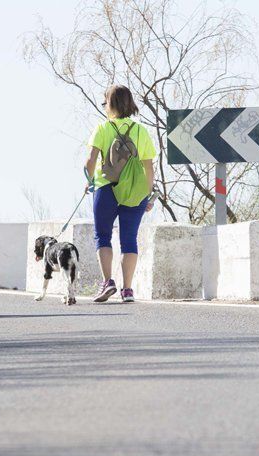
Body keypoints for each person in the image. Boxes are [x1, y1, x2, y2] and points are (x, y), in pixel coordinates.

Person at [84, 85, 156, 303]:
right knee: (129, 240)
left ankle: (108, 282)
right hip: (135, 191)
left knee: (103, 236)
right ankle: (127, 290)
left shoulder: (102, 129)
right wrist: (148, 194)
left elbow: (90, 161)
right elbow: (149, 167)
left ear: (110, 104)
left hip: (106, 188)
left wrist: (89, 182)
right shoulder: (141, 131)